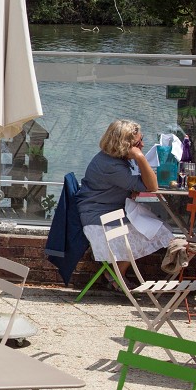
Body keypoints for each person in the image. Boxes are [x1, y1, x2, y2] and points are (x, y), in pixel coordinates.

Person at [73, 119, 173, 286]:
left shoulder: (115, 159)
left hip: (110, 212)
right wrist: (140, 158)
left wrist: (132, 183)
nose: (142, 145)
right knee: (156, 231)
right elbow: (153, 186)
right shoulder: (111, 166)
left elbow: (141, 183)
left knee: (156, 226)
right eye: (138, 143)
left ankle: (116, 274)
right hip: (99, 220)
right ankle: (115, 274)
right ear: (124, 144)